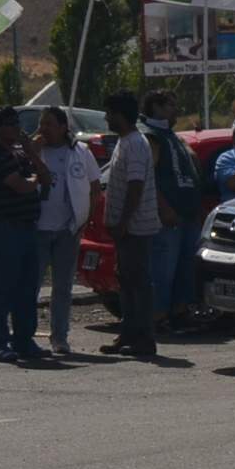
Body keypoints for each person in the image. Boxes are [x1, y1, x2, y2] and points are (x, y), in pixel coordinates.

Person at [0, 106, 51, 364]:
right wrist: (36, 178)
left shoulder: (20, 154)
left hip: (28, 226)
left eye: (17, 122)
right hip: (6, 228)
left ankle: (24, 339)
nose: (18, 127)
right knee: (3, 288)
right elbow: (22, 186)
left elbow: (45, 177)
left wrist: (31, 154)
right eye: (11, 123)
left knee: (27, 287)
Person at [99, 90, 161, 360]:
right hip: (126, 228)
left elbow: (135, 185)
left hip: (135, 227)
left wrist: (123, 221)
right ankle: (128, 333)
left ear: (120, 115)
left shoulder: (135, 143)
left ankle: (144, 338)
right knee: (126, 281)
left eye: (109, 113)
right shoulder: (125, 142)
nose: (106, 118)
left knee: (138, 282)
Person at [33, 106, 98, 357]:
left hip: (67, 230)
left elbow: (94, 186)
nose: (44, 129)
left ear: (63, 127)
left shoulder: (80, 151)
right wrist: (32, 151)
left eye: (49, 124)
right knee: (32, 285)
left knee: (62, 288)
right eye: (42, 123)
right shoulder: (33, 150)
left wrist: (85, 219)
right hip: (38, 229)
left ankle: (59, 337)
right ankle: (26, 335)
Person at [141, 89, 205, 333]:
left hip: (187, 214)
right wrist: (164, 208)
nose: (175, 110)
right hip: (169, 217)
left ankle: (180, 313)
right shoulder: (151, 137)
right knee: (163, 271)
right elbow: (148, 178)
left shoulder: (173, 137)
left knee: (185, 269)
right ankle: (157, 317)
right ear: (156, 107)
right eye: (170, 105)